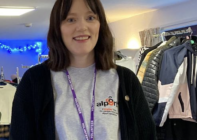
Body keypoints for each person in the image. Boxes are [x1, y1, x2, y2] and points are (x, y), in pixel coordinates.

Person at [10, 0, 156, 139]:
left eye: (90, 17)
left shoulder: (126, 81)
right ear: (57, 28)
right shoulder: (34, 81)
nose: (82, 27)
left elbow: (147, 135)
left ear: (100, 25)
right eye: (70, 19)